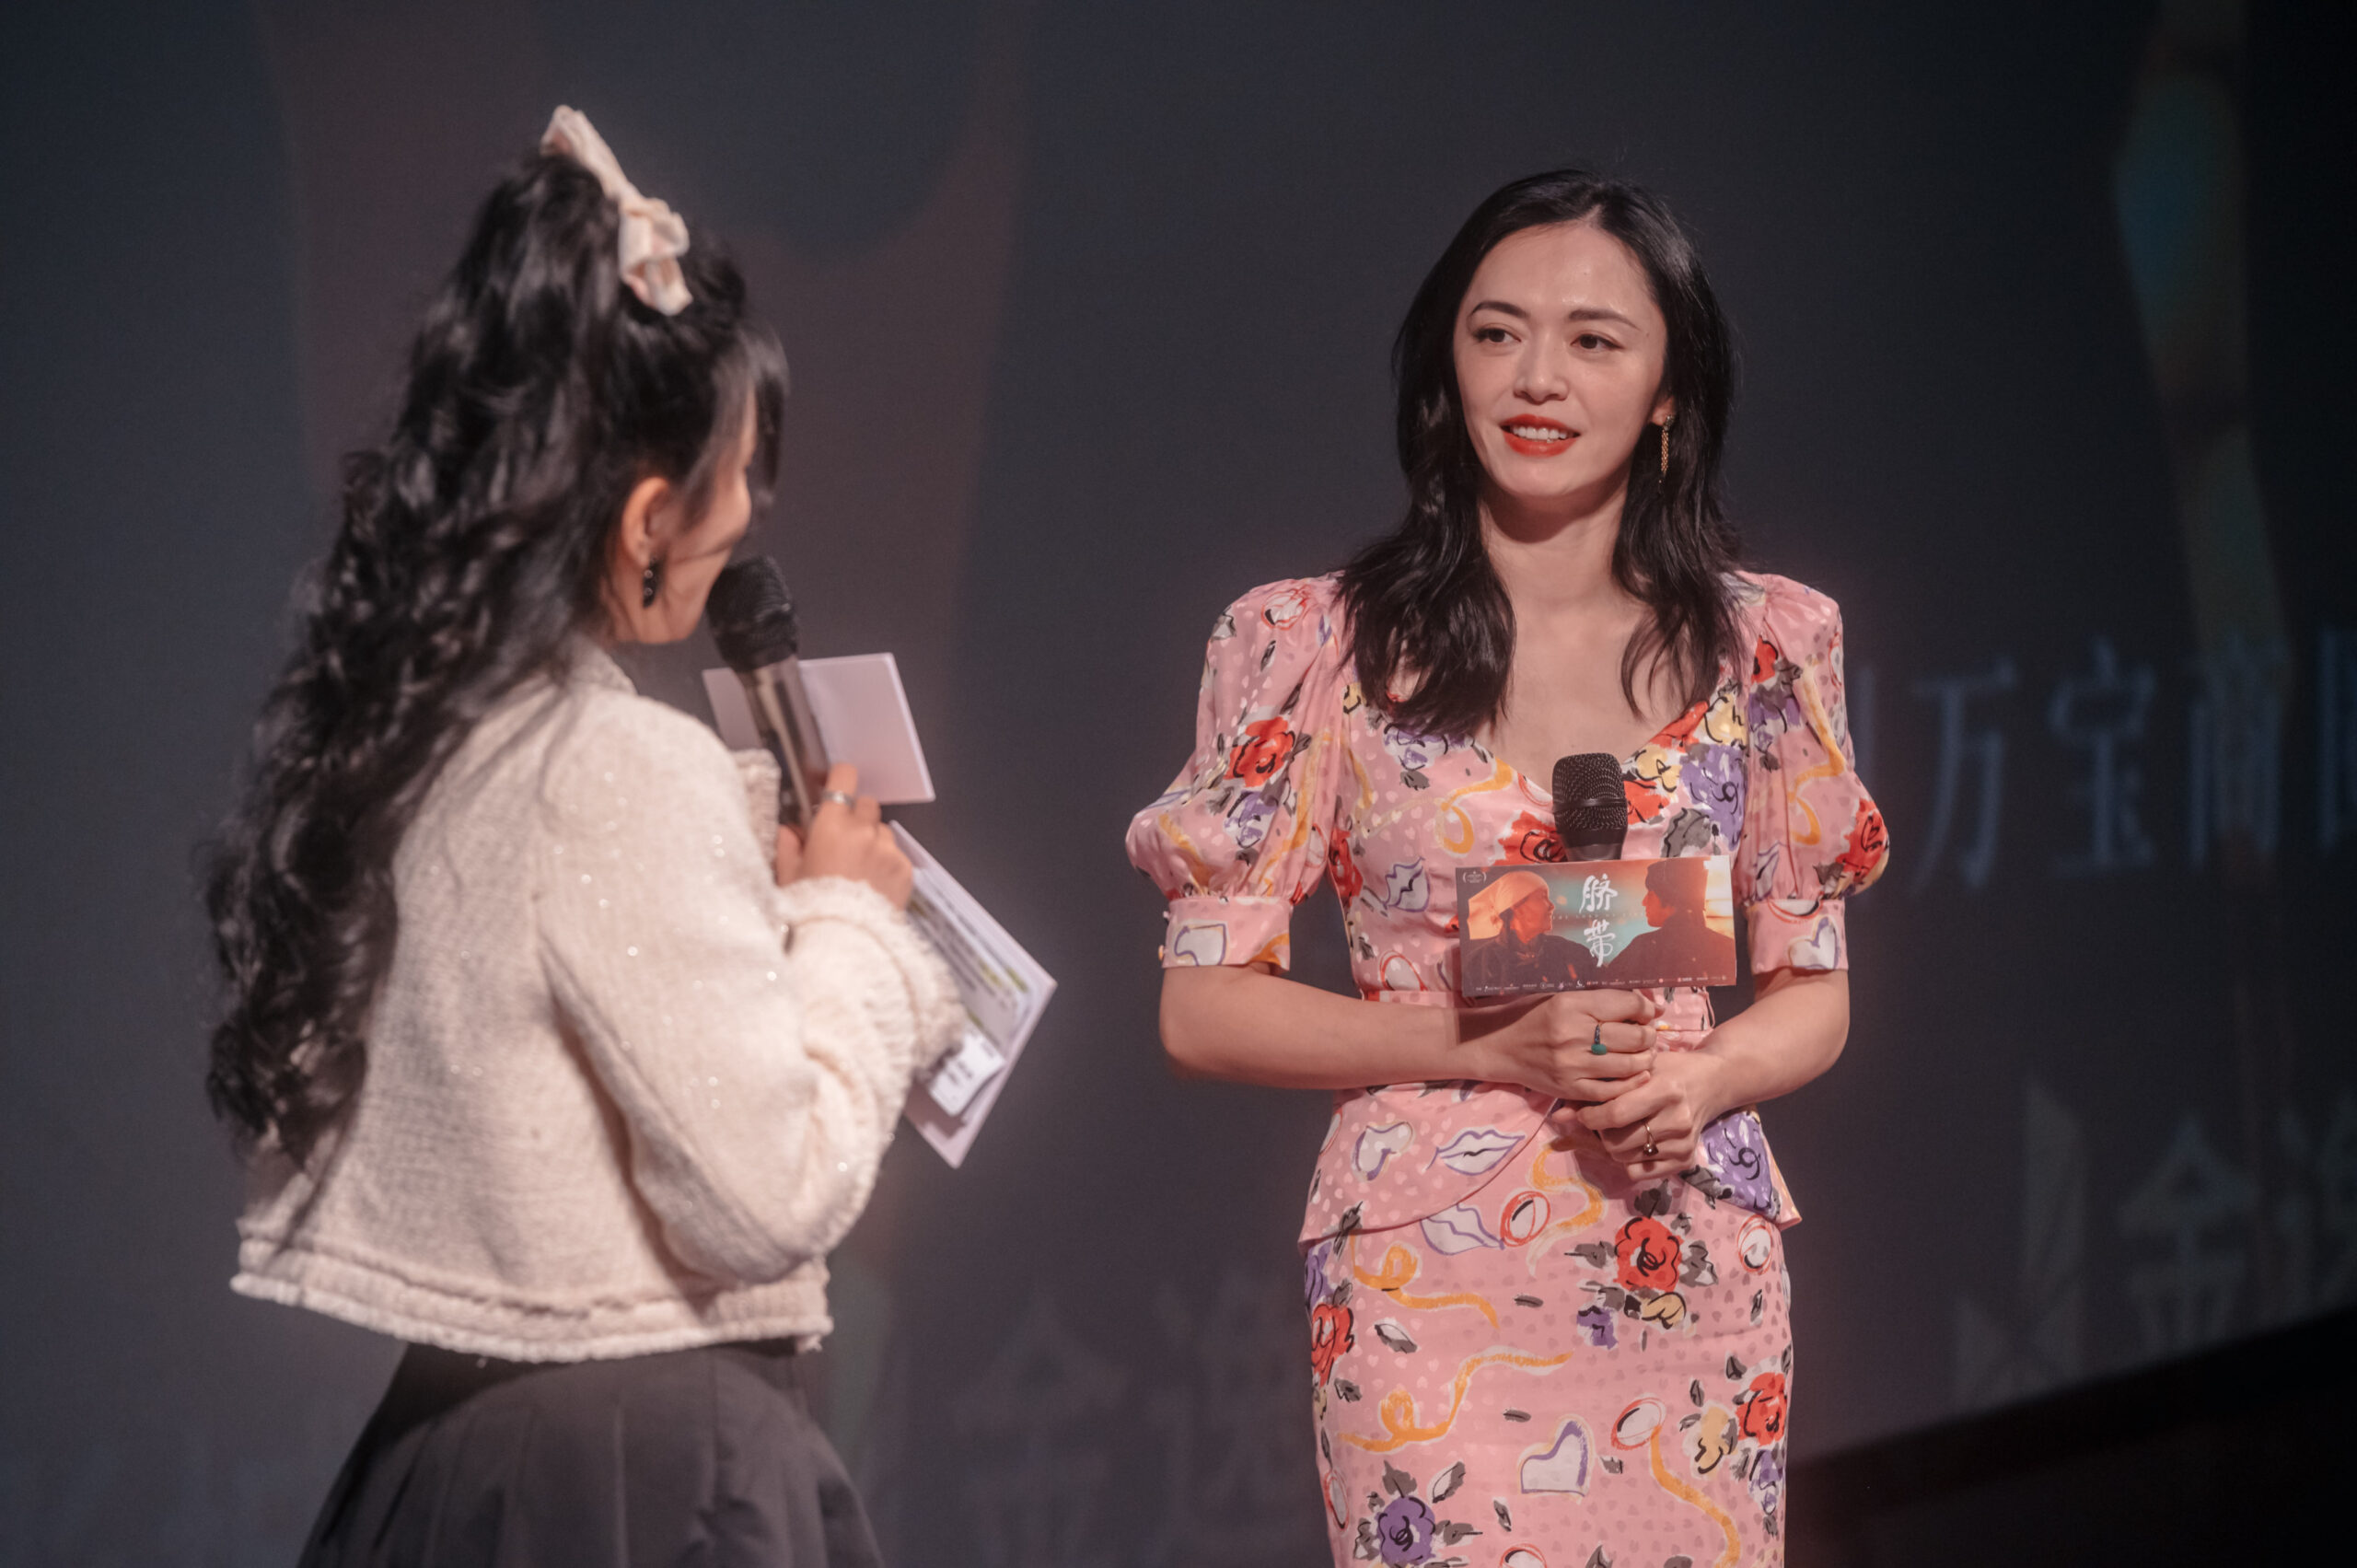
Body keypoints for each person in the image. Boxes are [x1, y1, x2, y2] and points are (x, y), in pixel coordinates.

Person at [203, 109, 962, 1566]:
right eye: (741, 476)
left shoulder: (417, 734)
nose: (747, 518)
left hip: (453, 1453)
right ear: (648, 515)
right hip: (642, 1471)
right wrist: (852, 922)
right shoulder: (613, 763)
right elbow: (765, 1196)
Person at [1127, 169, 1887, 1561]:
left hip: (1686, 1257)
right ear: (1446, 363)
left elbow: (1813, 991)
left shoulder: (1764, 648)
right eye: (1497, 332)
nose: (1538, 377)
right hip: (1426, 1283)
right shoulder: (1316, 647)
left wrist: (1705, 1076)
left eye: (1594, 339)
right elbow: (1201, 1007)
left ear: (1668, 390)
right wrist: (1485, 1046)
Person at [1606, 854, 1739, 986]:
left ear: (1669, 898)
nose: (1644, 902)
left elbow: (1607, 986)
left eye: (1650, 894)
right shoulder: (1727, 947)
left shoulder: (1643, 947)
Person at [1460, 868, 1597, 993]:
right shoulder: (1479, 965)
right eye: (1542, 897)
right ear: (1517, 907)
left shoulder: (1574, 953)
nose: (1551, 906)